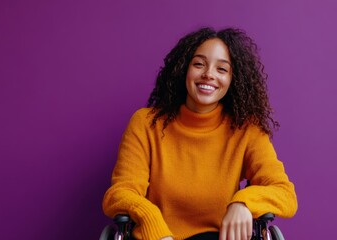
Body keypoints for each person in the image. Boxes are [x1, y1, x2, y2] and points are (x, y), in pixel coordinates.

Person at [102, 27, 298, 240]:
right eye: (199, 64)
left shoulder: (246, 129)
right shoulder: (146, 124)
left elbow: (285, 194)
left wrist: (245, 202)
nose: (209, 74)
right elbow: (120, 193)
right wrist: (152, 222)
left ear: (233, 79)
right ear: (183, 69)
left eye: (222, 69)